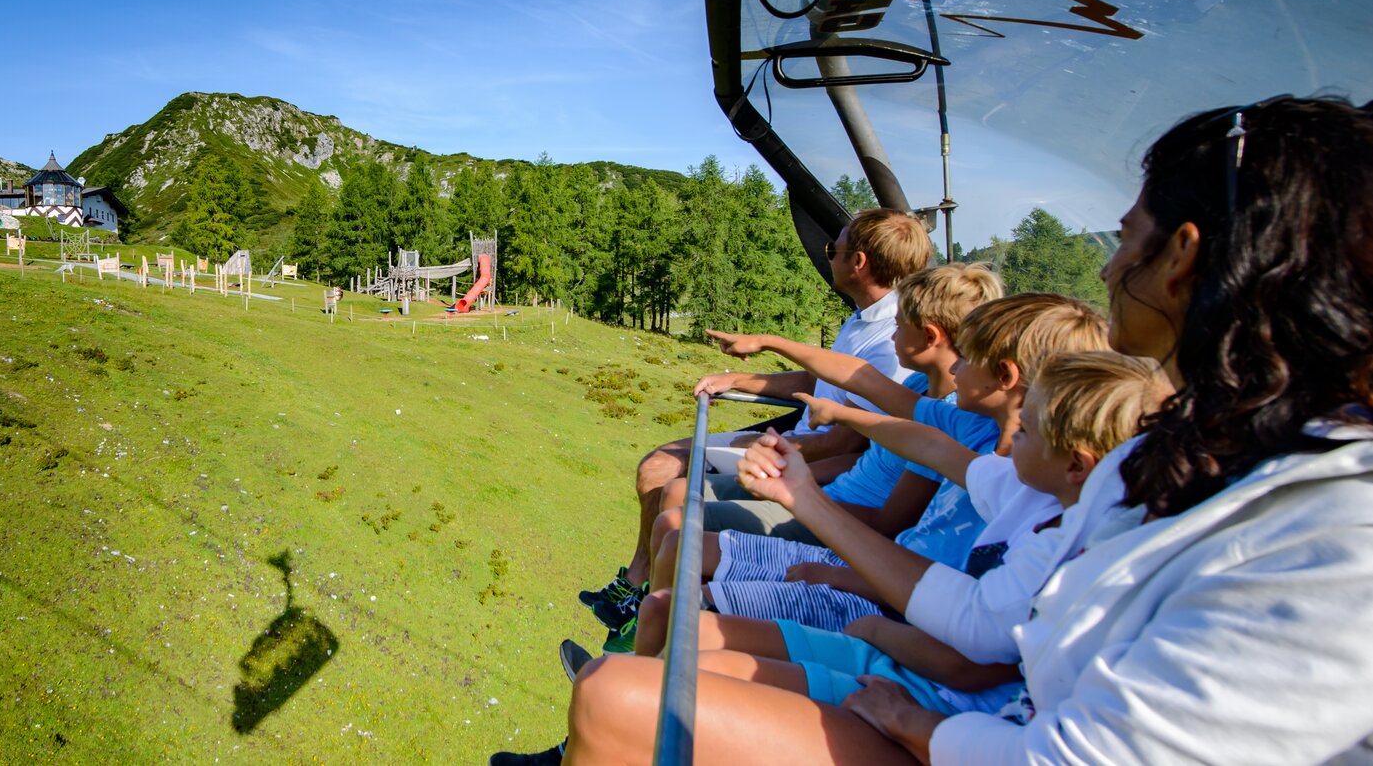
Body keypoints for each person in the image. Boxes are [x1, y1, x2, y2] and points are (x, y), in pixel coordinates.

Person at [560, 96, 1373, 766]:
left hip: (966, 723)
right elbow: (972, 533)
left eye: (1125, 236)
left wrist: (928, 726)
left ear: (1181, 256)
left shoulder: (1331, 535)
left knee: (621, 696)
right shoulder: (1181, 455)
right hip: (961, 705)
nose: (1104, 267)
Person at [637, 352, 1171, 728]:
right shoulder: (1028, 493)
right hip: (905, 650)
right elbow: (934, 447)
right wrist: (845, 418)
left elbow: (973, 653)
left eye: (1028, 431)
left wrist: (868, 623)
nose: (1012, 445)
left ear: (1076, 465)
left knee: (685, 663)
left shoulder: (1063, 547)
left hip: (931, 691)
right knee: (684, 652)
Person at [599, 264, 1002, 653]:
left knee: (678, 541)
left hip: (847, 534)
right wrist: (781, 356)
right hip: (834, 512)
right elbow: (863, 383)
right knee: (676, 530)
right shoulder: (921, 390)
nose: (893, 330)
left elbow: (892, 516)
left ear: (930, 336)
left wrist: (802, 496)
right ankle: (641, 647)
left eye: (900, 323)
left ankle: (641, 659)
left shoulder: (958, 428)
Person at [579, 209, 932, 632]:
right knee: (659, 470)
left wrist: (759, 452)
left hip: (802, 458)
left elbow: (844, 444)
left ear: (858, 263)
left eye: (831, 248)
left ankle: (645, 605)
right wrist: (740, 379)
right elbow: (820, 380)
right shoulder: (863, 319)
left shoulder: (891, 343)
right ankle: (640, 591)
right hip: (798, 449)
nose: (828, 257)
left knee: (665, 477)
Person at [674, 294, 1107, 635]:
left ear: (1006, 377)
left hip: (898, 609)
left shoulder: (1027, 490)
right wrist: (843, 414)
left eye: (968, 358)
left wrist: (809, 506)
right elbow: (918, 432)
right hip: (886, 581)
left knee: (691, 614)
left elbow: (968, 605)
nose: (956, 366)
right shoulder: (982, 443)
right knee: (679, 560)